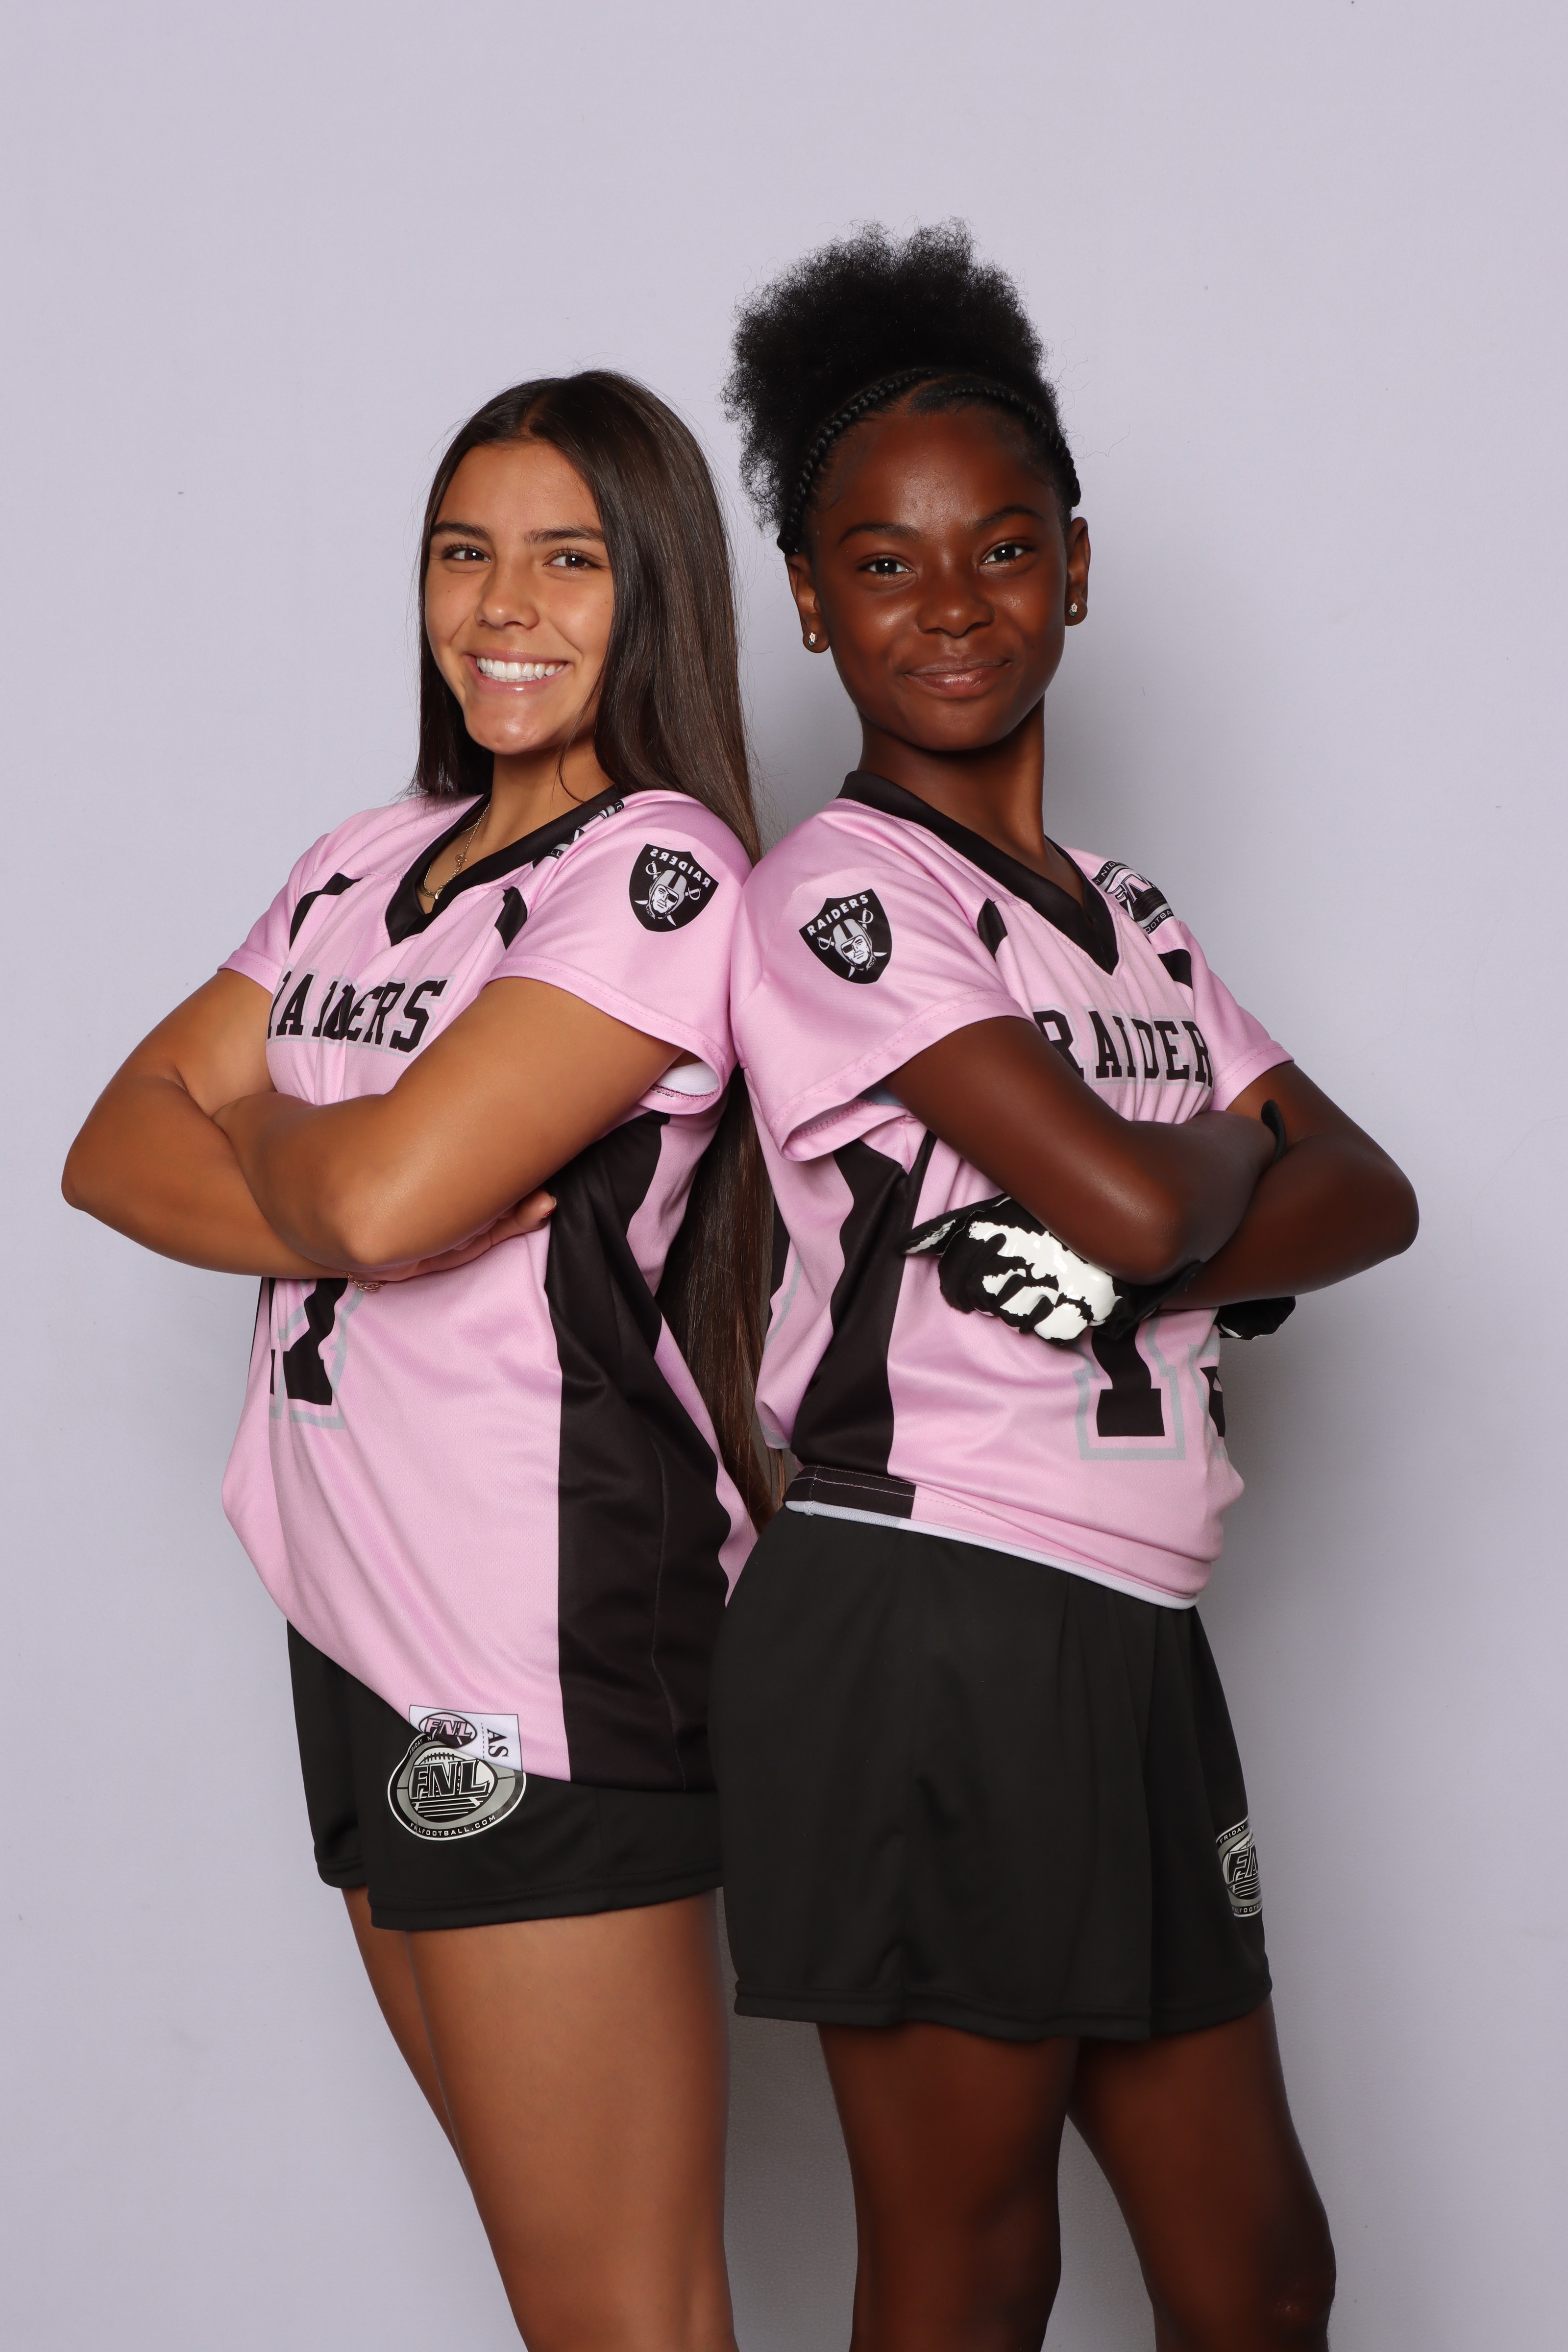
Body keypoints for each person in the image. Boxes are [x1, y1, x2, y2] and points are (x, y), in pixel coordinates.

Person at [713, 224, 1419, 2352]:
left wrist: (1171, 1207)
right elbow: (1130, 1198)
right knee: (973, 2271)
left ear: (1076, 568)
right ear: (812, 599)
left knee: (1260, 2276)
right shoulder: (841, 894)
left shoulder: (1126, 915)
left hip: (1126, 1623)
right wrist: (1206, 1171)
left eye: (1002, 548)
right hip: (930, 1608)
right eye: (886, 562)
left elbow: (1372, 1196)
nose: (952, 603)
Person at [62, 370, 773, 2352]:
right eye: (465, 554)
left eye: (568, 560)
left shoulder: (657, 874)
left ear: (654, 591)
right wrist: (349, 1165)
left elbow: (373, 1203)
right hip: (348, 1613)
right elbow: (112, 1148)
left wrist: (283, 1134)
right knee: (574, 2310)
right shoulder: (363, 860)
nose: (502, 607)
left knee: (621, 2315)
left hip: (529, 1636)